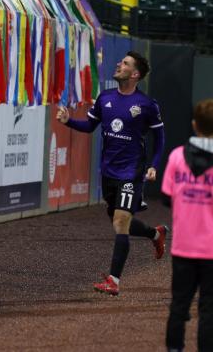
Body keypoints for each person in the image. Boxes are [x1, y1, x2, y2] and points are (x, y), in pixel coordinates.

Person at [56, 51, 167, 296]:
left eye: (125, 63)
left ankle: (114, 281)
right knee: (119, 221)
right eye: (120, 61)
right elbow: (89, 126)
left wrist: (154, 165)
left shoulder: (147, 105)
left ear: (135, 74)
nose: (119, 64)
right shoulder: (105, 97)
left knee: (120, 223)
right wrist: (68, 121)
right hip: (108, 172)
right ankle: (155, 233)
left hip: (132, 171)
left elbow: (160, 138)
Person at [162, 99, 213, 352]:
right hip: (211, 250)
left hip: (183, 246)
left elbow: (166, 197)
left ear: (194, 125)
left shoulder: (176, 156)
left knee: (179, 305)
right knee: (209, 310)